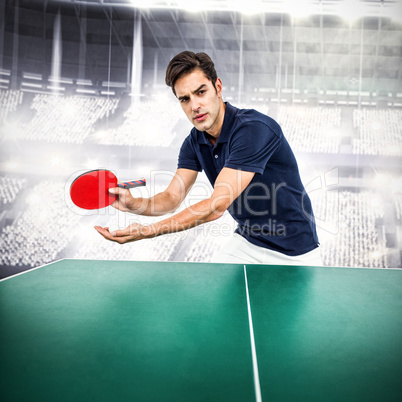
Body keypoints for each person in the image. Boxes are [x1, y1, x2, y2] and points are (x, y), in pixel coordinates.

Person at [95, 51, 322, 266]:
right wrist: (135, 204)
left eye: (201, 92)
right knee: (215, 301)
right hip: (249, 240)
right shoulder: (193, 142)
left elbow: (217, 206)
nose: (195, 106)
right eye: (184, 99)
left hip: (296, 250)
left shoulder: (254, 129)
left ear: (218, 87)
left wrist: (148, 230)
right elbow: (172, 197)